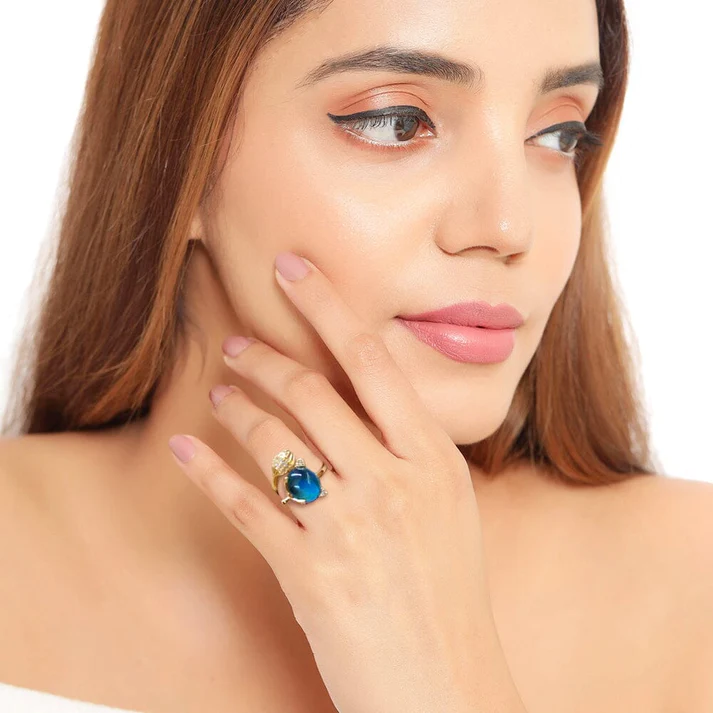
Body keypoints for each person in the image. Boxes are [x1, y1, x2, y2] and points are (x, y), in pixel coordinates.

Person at [1, 0, 711, 711]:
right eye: (396, 122)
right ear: (174, 159)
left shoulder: (692, 587)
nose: (507, 226)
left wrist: (444, 679)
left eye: (557, 134)